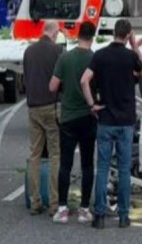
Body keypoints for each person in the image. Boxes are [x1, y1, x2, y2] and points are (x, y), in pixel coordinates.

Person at [84, 19, 142, 229]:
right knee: (124, 170)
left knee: (102, 168)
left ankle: (100, 215)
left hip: (106, 119)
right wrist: (135, 45)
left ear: (112, 32)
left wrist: (92, 104)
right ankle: (123, 216)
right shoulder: (130, 57)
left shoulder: (100, 55)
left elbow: (85, 80)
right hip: (126, 121)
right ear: (128, 34)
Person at [49, 21, 98, 224]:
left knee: (65, 164)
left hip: (68, 117)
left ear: (78, 35)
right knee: (87, 164)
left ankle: (62, 209)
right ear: (93, 37)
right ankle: (84, 209)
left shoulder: (65, 57)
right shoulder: (95, 59)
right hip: (88, 116)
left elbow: (52, 86)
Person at [22, 20, 62, 216]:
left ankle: (35, 200)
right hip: (50, 106)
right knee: (55, 154)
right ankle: (54, 202)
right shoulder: (57, 51)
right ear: (53, 33)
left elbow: (25, 78)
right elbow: (60, 80)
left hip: (33, 107)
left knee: (35, 155)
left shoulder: (28, 51)